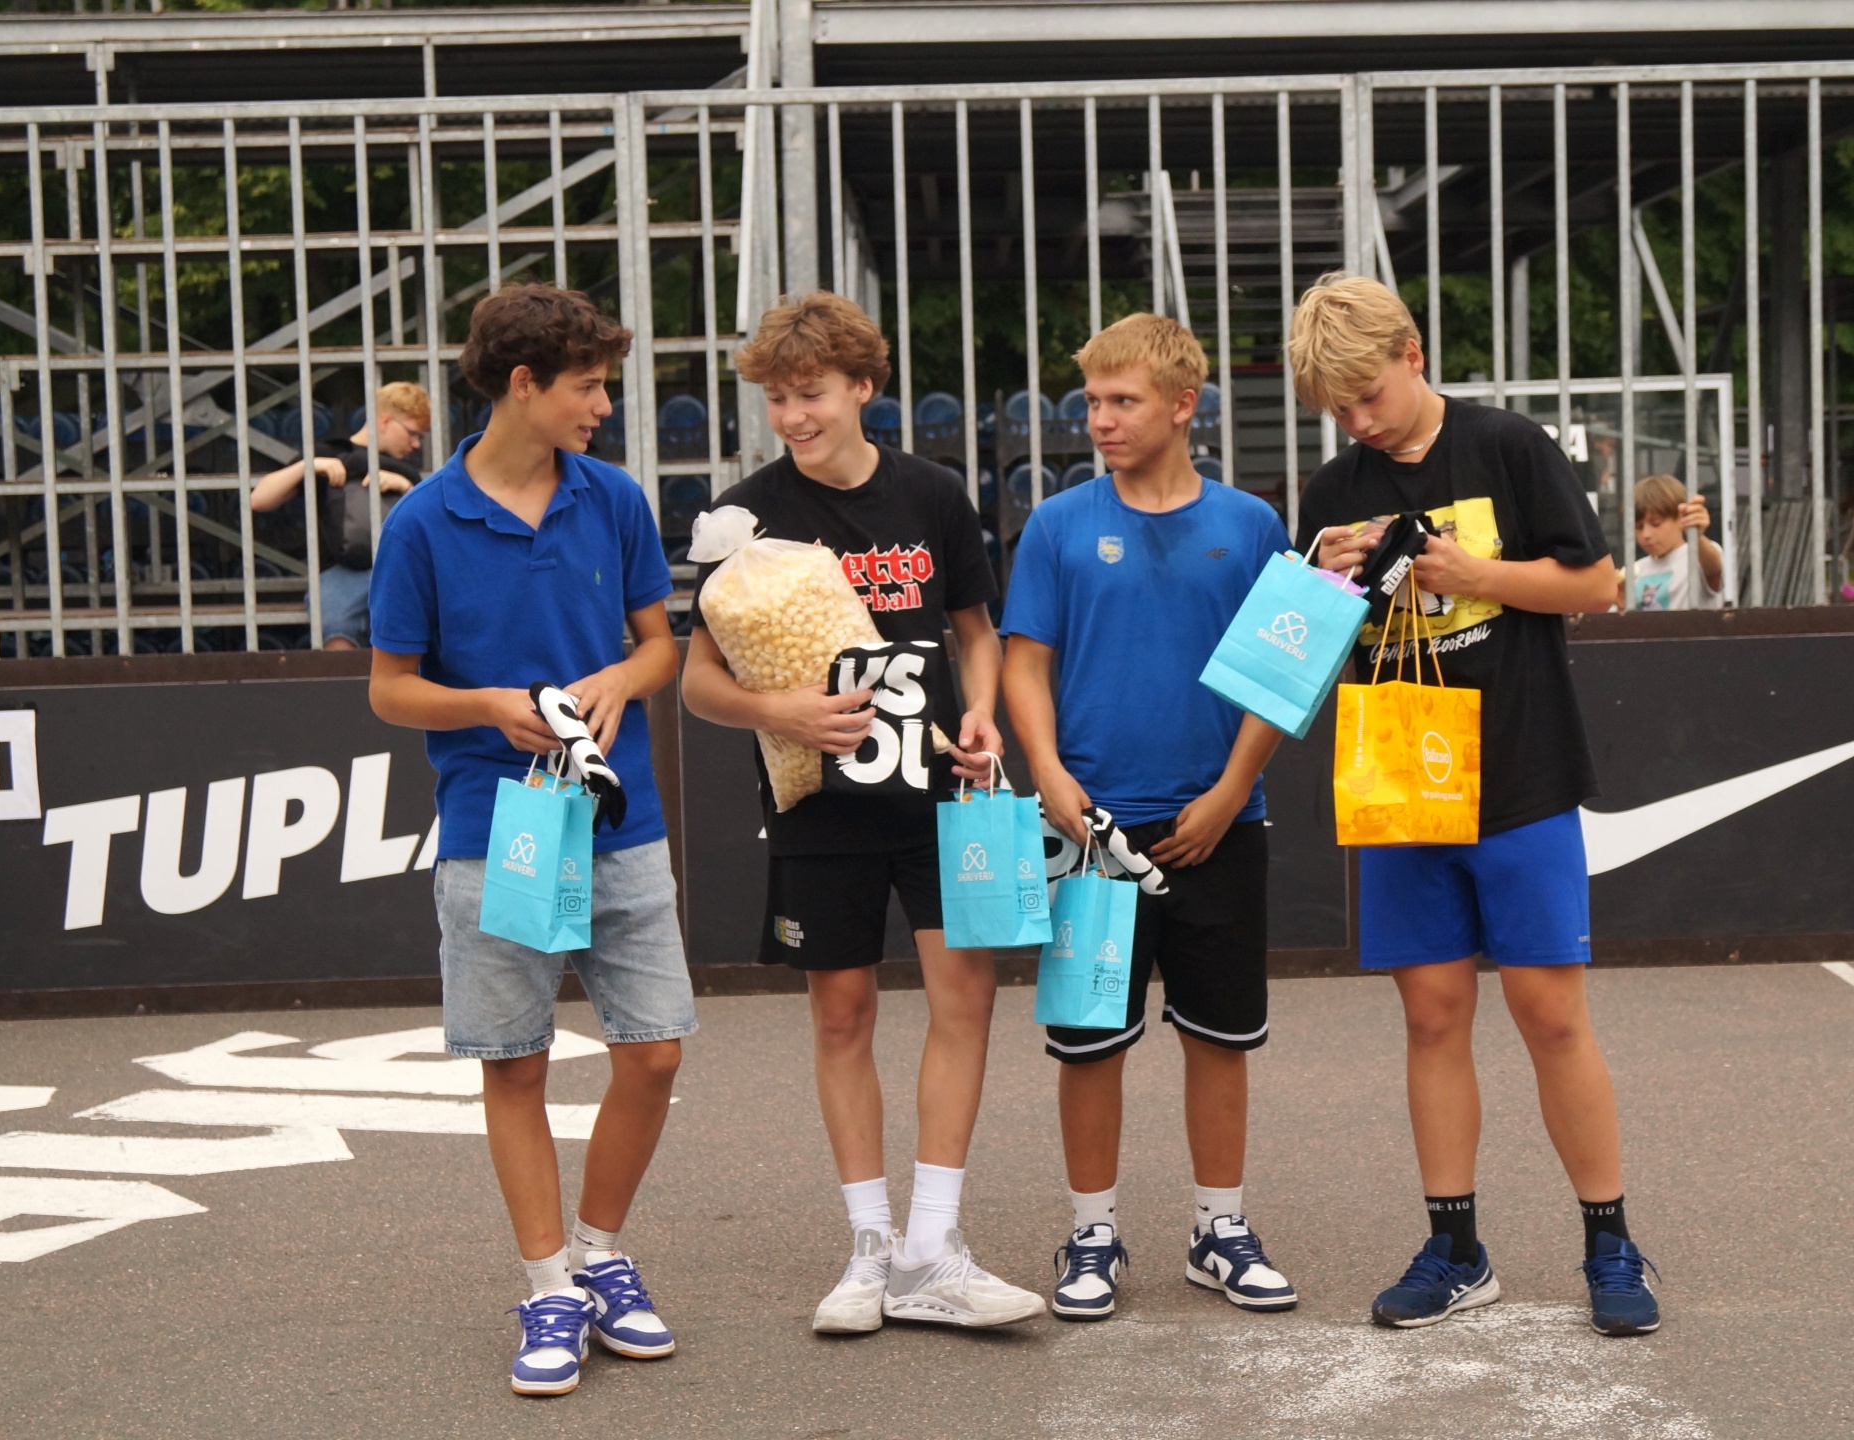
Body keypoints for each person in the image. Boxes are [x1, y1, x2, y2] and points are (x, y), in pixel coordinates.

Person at [1287, 273, 1658, 1338]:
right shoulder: (1332, 487)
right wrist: (1320, 575)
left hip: (1522, 771)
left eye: (1368, 394)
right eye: (1337, 408)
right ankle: (1455, 1249)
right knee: (1431, 1016)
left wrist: (1474, 573)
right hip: (1402, 780)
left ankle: (1609, 1241)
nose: (1358, 422)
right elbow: (1304, 644)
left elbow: (1595, 585)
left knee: (1550, 1014)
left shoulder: (1507, 446)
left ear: (1411, 352)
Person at [679, 292, 1043, 1332]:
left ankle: (935, 1246)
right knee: (840, 1015)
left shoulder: (930, 494)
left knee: (964, 1000)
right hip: (818, 804)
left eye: (812, 395)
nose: (793, 416)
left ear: (863, 388)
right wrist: (775, 710)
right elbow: (698, 682)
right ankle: (870, 1249)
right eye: (777, 398)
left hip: (939, 796)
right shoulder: (743, 515)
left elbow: (976, 630)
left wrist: (982, 712)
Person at [366, 285, 692, 1396]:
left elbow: (661, 648)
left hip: (619, 816)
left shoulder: (615, 498)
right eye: (588, 386)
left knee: (654, 1050)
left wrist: (623, 678)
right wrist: (489, 706)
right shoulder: (421, 522)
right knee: (516, 1065)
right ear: (522, 384)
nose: (603, 405)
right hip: (494, 826)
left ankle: (600, 1256)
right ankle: (549, 1285)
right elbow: (390, 690)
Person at [1000, 312, 1296, 1324]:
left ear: (1182, 405)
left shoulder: (1249, 525)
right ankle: (1092, 1235)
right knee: (1090, 1044)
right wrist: (1046, 771)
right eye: (1091, 401)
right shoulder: (1057, 526)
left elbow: (1278, 674)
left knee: (1220, 1038)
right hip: (1092, 835)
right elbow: (1025, 662)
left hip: (1220, 823)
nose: (1100, 419)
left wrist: (1229, 792)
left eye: (1122, 401)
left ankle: (1220, 1230)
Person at [249, 380, 430, 649]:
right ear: (385, 421)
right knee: (337, 625)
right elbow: (259, 500)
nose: (416, 444)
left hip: (399, 569)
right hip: (341, 571)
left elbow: (430, 527)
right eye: (412, 433)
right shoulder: (330, 453)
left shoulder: (407, 470)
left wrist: (406, 488)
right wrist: (308, 466)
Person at [1628, 473, 1723, 612]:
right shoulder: (1634, 571)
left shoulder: (1698, 555)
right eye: (1638, 527)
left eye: (1656, 523)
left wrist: (1697, 536)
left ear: (1680, 518)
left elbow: (1714, 570)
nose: (1646, 534)